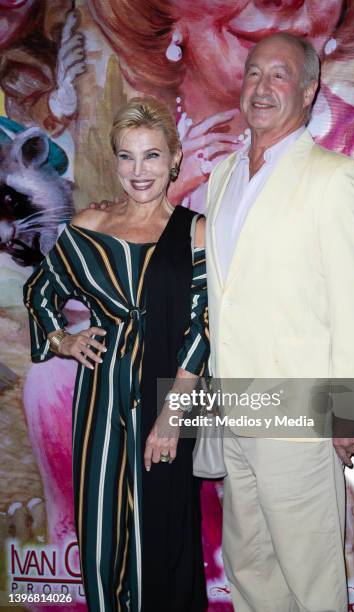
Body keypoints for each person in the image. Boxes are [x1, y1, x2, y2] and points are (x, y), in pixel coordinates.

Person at [204, 33, 354, 611]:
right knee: (249, 568)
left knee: (312, 580)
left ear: (308, 92)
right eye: (253, 73)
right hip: (235, 409)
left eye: (279, 76)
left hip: (299, 415)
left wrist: (351, 411)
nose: (261, 86)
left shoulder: (335, 177)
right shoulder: (222, 177)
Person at [23, 96, 209, 612]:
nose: (138, 170)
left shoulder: (195, 231)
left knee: (162, 540)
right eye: (126, 156)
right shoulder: (89, 226)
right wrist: (64, 339)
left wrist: (173, 416)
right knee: (102, 534)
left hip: (165, 399)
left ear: (174, 158)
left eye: (151, 156)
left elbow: (204, 327)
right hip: (100, 399)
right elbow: (40, 291)